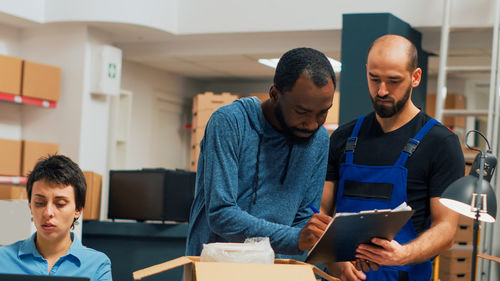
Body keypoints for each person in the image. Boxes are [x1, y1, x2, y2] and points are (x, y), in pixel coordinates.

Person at [321, 34, 465, 281]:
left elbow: (446, 229)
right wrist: (333, 259)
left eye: (394, 81)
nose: (382, 90)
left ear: (415, 77)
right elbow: (322, 210)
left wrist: (402, 255)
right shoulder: (343, 137)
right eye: (374, 79)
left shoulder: (441, 143)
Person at [186, 47, 335, 256]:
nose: (312, 124)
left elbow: (303, 217)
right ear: (274, 94)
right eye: (301, 112)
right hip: (216, 268)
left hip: (275, 270)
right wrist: (294, 238)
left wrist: (320, 236)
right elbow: (221, 214)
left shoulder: (318, 139)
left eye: (323, 113)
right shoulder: (230, 122)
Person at [0, 155, 112, 281]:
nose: (48, 212)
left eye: (60, 204)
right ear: (30, 206)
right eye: (39, 203)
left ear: (78, 210)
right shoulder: (3, 258)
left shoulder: (97, 265)